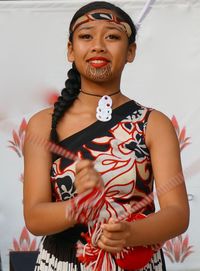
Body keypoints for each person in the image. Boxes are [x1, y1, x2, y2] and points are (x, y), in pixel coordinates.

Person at [23, 1, 190, 270]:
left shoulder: (153, 124)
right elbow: (34, 217)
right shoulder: (43, 125)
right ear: (70, 49)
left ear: (131, 51)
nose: (98, 45)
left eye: (112, 36)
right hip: (63, 263)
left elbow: (178, 214)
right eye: (86, 36)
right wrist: (80, 205)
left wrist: (130, 233)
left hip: (135, 262)